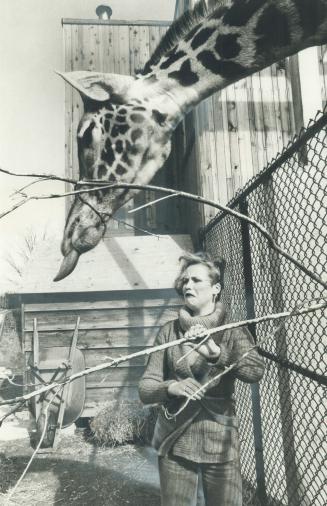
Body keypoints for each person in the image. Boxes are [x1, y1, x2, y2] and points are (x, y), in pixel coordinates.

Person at [138, 252, 265, 506]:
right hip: (175, 441)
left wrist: (217, 354)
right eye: (185, 280)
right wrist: (172, 386)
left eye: (196, 280)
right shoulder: (169, 331)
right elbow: (145, 388)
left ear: (215, 288)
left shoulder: (231, 330)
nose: (188, 285)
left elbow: (255, 371)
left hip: (220, 440)